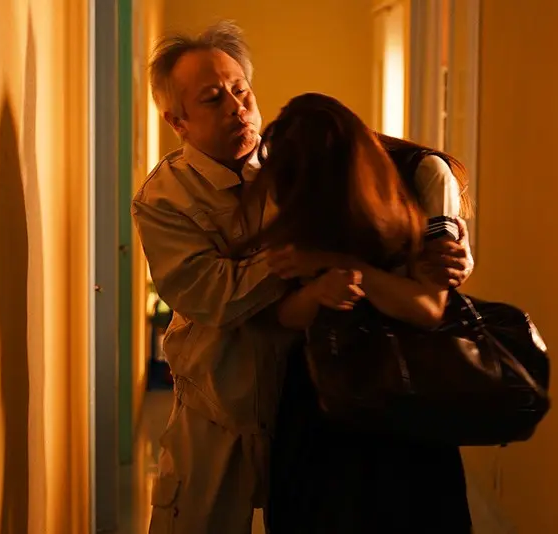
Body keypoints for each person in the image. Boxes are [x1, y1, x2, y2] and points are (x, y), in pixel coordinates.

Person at [133, 21, 473, 534]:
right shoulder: (165, 199)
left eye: (241, 91)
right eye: (213, 99)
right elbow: (212, 295)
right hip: (222, 404)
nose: (237, 109)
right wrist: (307, 262)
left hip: (317, 401)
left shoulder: (302, 161)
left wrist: (446, 245)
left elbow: (390, 246)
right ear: (177, 122)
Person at [240, 93, 475, 533]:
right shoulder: (291, 180)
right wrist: (318, 291)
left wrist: (339, 265)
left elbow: (427, 309)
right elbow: (283, 316)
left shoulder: (423, 173)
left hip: (403, 387)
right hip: (319, 392)